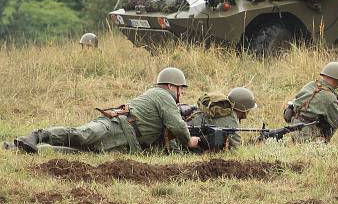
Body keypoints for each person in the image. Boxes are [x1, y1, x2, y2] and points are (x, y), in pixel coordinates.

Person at [12, 67, 200, 154]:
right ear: (169, 86)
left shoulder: (164, 97)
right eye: (180, 87)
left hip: (127, 141)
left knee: (79, 151)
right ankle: (36, 136)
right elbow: (176, 124)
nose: (182, 92)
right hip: (115, 126)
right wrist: (189, 141)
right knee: (81, 136)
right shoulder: (162, 95)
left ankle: (21, 147)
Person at [284, 62, 338, 143]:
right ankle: (321, 141)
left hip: (293, 130)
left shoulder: (310, 85)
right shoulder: (329, 97)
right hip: (309, 138)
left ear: (324, 75)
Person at [184, 87, 257, 149]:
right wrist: (255, 144)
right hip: (187, 140)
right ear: (244, 110)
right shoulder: (230, 117)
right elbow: (237, 147)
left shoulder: (222, 110)